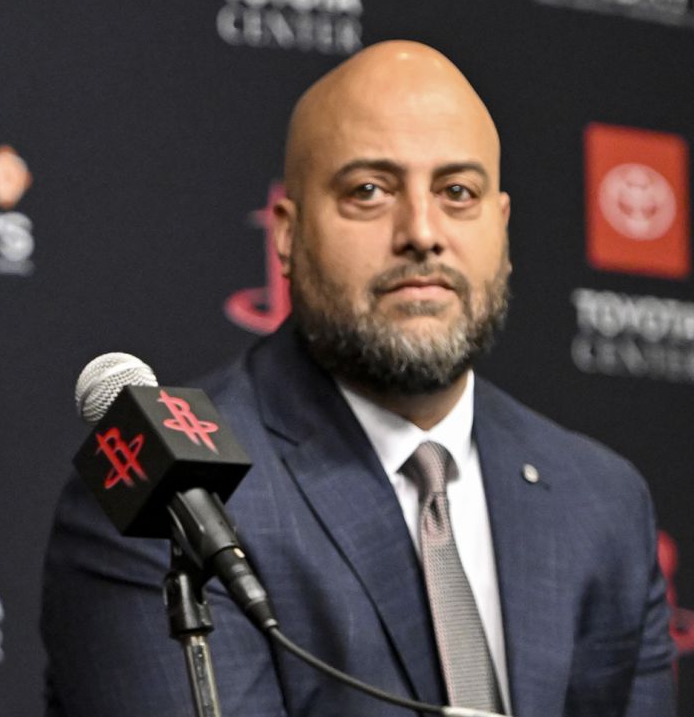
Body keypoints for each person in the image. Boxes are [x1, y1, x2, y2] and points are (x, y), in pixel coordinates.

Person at [42, 41, 674, 717]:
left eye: (458, 192)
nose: (422, 232)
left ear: (502, 225)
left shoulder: (601, 502)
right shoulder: (167, 498)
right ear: (286, 233)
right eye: (369, 191)